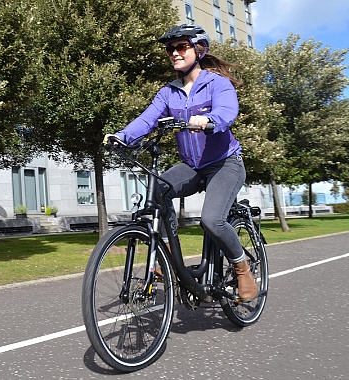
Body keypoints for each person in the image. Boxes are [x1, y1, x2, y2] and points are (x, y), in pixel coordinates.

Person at [103, 24, 257, 301]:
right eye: (170, 49)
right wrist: (122, 136)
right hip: (191, 165)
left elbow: (227, 111)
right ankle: (169, 255)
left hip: (225, 163)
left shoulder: (216, 83)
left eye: (181, 47)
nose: (174, 53)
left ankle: (241, 266)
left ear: (199, 49)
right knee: (157, 191)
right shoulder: (168, 92)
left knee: (212, 220)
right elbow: (147, 119)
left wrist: (209, 120)